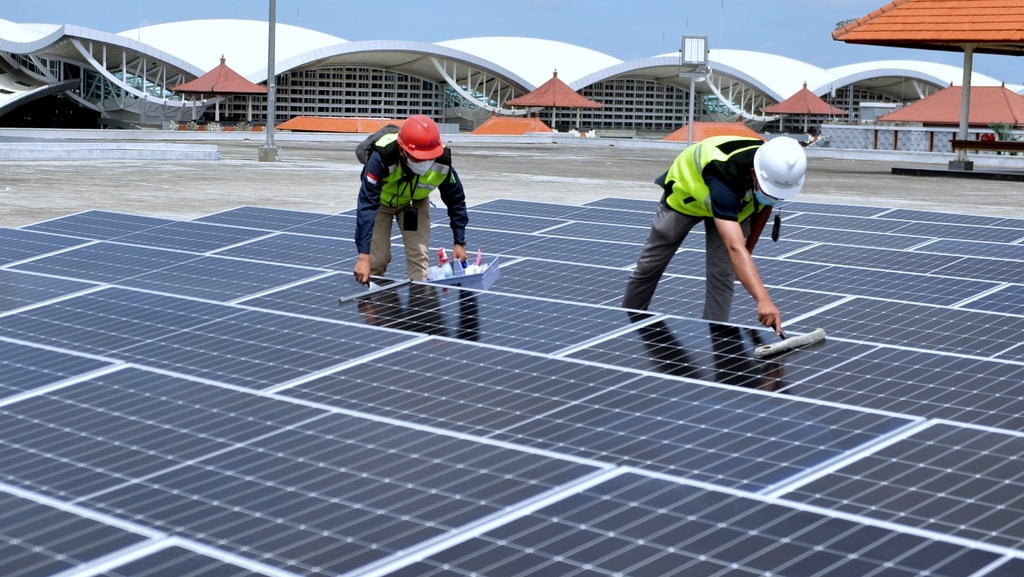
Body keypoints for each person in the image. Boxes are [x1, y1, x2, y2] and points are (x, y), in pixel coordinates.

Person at [621, 135, 807, 334]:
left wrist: (747, 251)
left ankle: (716, 339)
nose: (771, 194)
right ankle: (626, 324)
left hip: (735, 207)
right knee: (650, 265)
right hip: (687, 197)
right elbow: (733, 246)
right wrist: (763, 300)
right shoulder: (724, 172)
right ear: (754, 173)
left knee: (723, 274)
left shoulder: (776, 167)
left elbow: (764, 206)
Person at [353, 115, 469, 284]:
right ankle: (373, 301)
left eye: (429, 157)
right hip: (381, 205)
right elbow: (367, 205)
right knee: (377, 261)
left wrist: (459, 242)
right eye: (418, 158)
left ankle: (419, 304)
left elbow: (456, 200)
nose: (424, 162)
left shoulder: (442, 162)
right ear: (402, 150)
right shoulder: (382, 157)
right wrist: (363, 257)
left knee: (419, 258)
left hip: (414, 204)